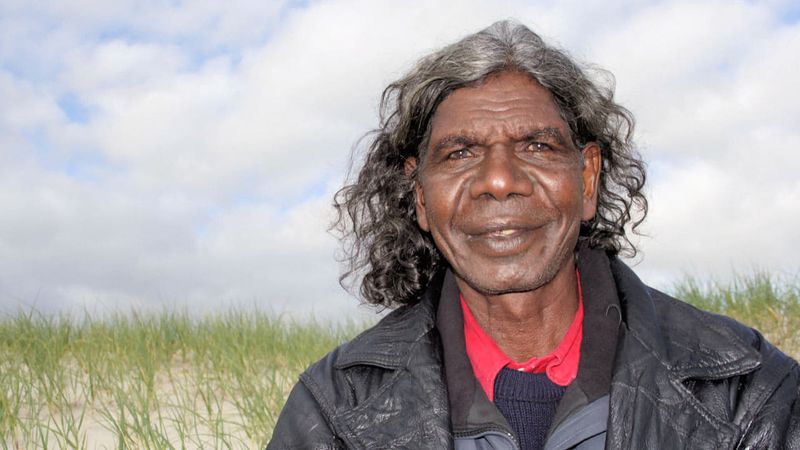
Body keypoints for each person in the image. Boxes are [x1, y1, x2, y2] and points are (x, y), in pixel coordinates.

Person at [267, 20, 799, 449]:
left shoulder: (748, 393)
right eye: (460, 153)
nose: (499, 180)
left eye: (537, 147)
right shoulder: (335, 410)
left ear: (587, 179)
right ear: (421, 198)